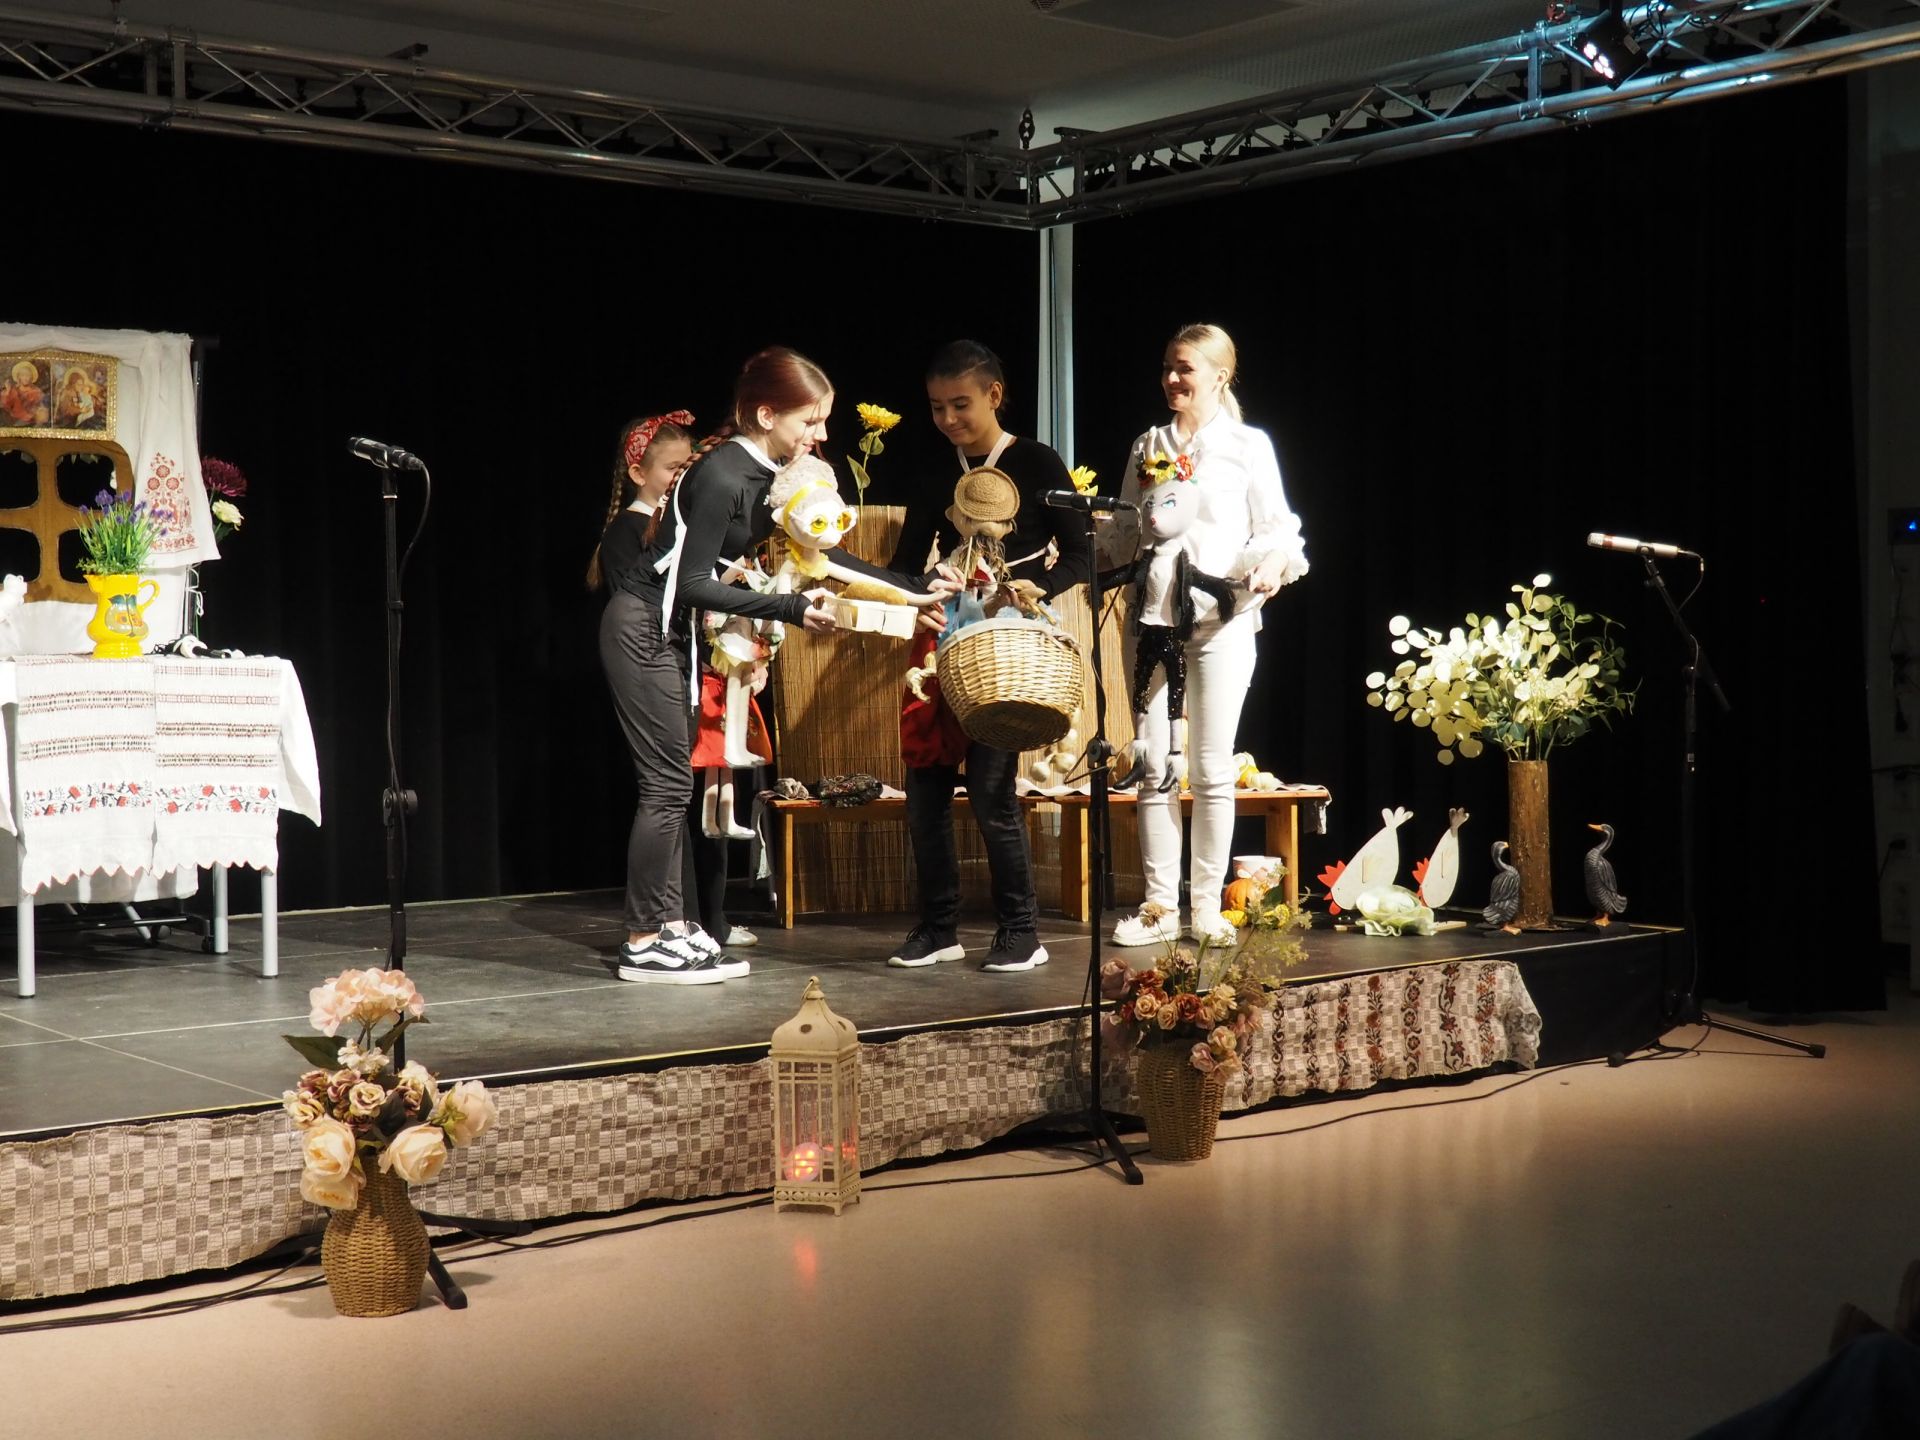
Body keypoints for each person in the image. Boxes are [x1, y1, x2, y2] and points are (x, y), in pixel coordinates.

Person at [615, 346, 948, 984]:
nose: (820, 435)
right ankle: (644, 939)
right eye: (809, 421)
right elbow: (691, 584)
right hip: (642, 629)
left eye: (823, 421)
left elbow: (823, 557)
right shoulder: (722, 474)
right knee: (665, 788)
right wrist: (790, 607)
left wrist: (914, 590)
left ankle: (670, 926)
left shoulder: (767, 472)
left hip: (671, 637)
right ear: (766, 415)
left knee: (673, 787)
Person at [884, 339, 1092, 974]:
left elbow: (1081, 553)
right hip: (945, 643)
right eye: (937, 407)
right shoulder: (933, 465)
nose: (948, 418)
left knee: (991, 792)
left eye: (961, 404)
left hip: (1009, 646)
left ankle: (1021, 932)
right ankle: (938, 928)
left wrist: (1038, 587)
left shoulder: (1037, 461)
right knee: (925, 792)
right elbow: (905, 563)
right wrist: (924, 590)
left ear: (994, 395)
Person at [1104, 323, 1308, 951]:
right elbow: (1124, 527)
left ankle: (1206, 909)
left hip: (1223, 621)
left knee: (1212, 770)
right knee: (1154, 766)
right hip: (1154, 622)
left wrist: (1273, 563)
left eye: (1185, 368)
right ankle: (1160, 908)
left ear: (1221, 376)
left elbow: (1279, 528)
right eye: (1168, 366)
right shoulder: (1149, 444)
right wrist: (1082, 558)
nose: (1172, 378)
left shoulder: (1248, 446)